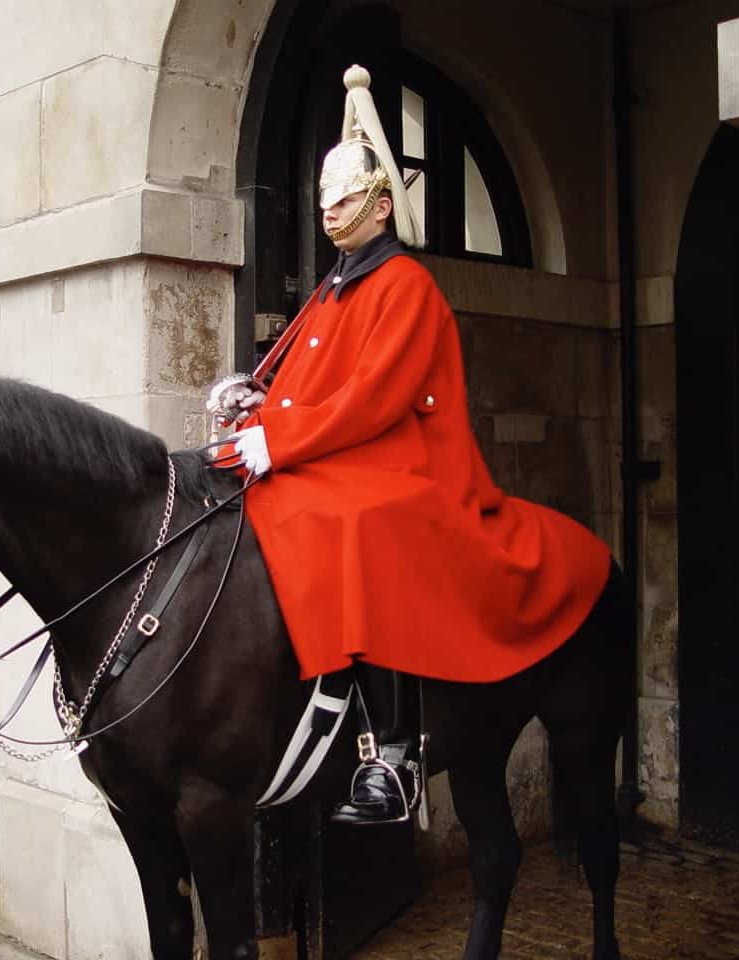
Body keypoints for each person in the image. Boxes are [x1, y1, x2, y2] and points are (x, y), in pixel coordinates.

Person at [209, 65, 611, 825]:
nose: (330, 214)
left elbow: (373, 400)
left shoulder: (404, 284)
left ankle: (392, 755)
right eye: (324, 202)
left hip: (407, 460)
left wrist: (279, 441)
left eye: (347, 200)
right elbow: (315, 386)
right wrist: (261, 407)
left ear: (382, 204)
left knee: (357, 520)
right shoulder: (334, 289)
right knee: (265, 498)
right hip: (347, 449)